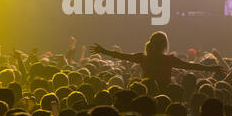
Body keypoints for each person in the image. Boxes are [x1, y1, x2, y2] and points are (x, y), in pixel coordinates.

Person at [90, 31, 223, 89]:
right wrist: (212, 68)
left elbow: (122, 56)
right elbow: (191, 66)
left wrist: (104, 51)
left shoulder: (143, 58)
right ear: (164, 45)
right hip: (166, 92)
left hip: (147, 91)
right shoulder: (168, 60)